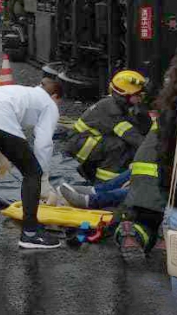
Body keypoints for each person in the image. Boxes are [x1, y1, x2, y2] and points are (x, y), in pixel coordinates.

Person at [0, 78, 64, 249]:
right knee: (32, 172)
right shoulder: (49, 104)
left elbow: (1, 126)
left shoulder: (21, 91)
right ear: (55, 96)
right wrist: (42, 174)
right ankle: (30, 233)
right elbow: (43, 142)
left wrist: (4, 152)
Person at [115, 55, 177, 259]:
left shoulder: (166, 110)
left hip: (144, 180)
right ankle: (166, 237)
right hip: (166, 184)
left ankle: (135, 232)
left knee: (145, 219)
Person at [62, 70, 150, 184]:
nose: (141, 97)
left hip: (90, 141)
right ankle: (105, 184)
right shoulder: (111, 109)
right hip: (80, 147)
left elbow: (142, 128)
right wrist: (152, 149)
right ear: (125, 95)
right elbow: (132, 136)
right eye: (138, 94)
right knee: (119, 145)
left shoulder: (119, 104)